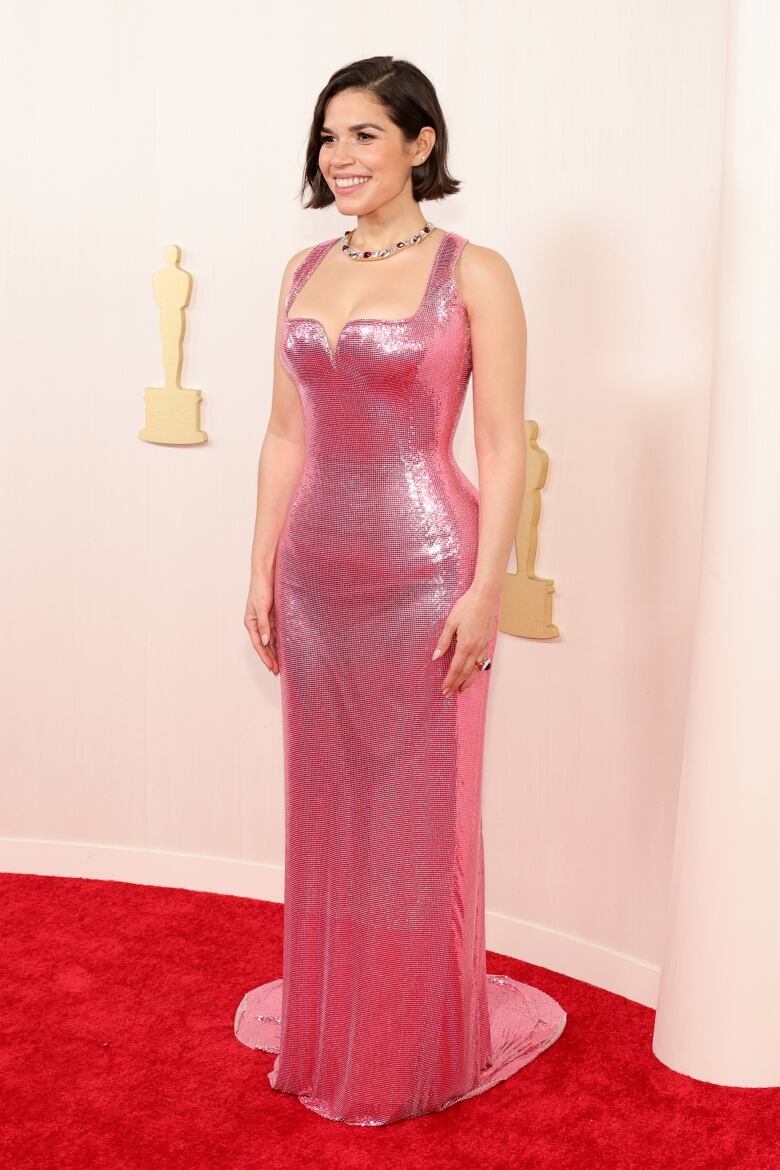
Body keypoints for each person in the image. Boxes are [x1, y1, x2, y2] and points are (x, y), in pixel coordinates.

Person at [234, 55, 566, 1126]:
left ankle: (415, 1045)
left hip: (431, 571)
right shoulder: (299, 269)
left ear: (422, 143)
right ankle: (336, 1020)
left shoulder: (476, 272)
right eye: (329, 137)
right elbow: (286, 434)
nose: (341, 157)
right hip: (318, 573)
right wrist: (258, 565)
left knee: (423, 816)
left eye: (366, 134)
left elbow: (505, 448)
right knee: (329, 808)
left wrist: (485, 589)